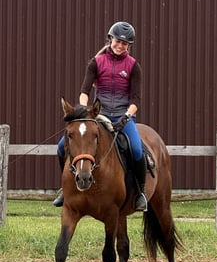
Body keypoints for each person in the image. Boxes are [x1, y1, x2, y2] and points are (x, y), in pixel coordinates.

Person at [53, 21, 147, 211]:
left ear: (129, 46)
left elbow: (136, 99)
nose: (120, 46)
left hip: (123, 116)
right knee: (62, 146)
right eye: (118, 41)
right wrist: (85, 110)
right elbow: (84, 90)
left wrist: (126, 117)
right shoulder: (96, 62)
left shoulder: (133, 66)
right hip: (98, 115)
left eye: (125, 43)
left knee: (137, 150)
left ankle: (140, 193)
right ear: (110, 39)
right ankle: (65, 187)